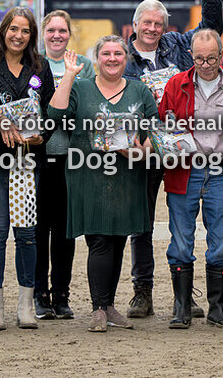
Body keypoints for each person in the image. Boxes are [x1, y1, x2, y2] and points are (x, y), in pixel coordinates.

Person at [123, 0, 223, 319]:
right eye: (147, 23)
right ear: (135, 25)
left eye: (158, 24)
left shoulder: (179, 45)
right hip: (145, 153)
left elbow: (209, 33)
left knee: (186, 221)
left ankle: (186, 296)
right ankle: (142, 291)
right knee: (142, 223)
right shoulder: (121, 57)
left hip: (186, 151)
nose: (152, 29)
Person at [48, 36, 159, 333]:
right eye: (106, 53)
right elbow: (55, 114)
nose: (112, 58)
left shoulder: (140, 90)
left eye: (118, 53)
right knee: (99, 240)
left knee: (119, 239)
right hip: (89, 174)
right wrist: (70, 75)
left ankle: (109, 305)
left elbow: (153, 138)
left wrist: (136, 151)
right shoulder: (82, 88)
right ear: (96, 58)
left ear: (126, 58)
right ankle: (98, 308)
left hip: (126, 176)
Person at [0, 7, 55, 331]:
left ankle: (25, 304)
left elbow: (48, 111)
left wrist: (41, 130)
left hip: (27, 159)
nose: (18, 35)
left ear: (32, 35)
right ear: (4, 30)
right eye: (13, 29)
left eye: (25, 30)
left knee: (27, 233)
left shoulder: (40, 66)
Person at [158, 29, 223, 329]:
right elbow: (161, 124)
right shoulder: (176, 84)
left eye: (211, 58)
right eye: (199, 59)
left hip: (222, 169)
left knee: (221, 241)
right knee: (181, 239)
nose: (206, 64)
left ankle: (216, 308)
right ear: (191, 56)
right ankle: (183, 306)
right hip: (185, 169)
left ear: (222, 54)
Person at [33, 10, 96, 320]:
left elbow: (83, 111)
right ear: (43, 34)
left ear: (69, 34)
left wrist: (57, 114)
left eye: (62, 30)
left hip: (72, 159)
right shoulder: (32, 65)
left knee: (65, 231)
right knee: (38, 229)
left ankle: (61, 294)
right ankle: (39, 295)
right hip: (38, 160)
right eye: (51, 30)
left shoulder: (83, 68)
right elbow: (36, 113)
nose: (56, 35)